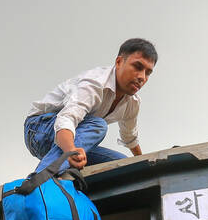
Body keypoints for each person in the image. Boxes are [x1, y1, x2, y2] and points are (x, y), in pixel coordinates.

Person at [24, 38, 157, 175]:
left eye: (148, 73)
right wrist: (71, 151)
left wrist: (145, 164)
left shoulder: (132, 103)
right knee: (98, 125)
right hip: (39, 129)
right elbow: (66, 119)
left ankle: (71, 190)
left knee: (123, 165)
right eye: (137, 67)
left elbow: (129, 136)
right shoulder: (95, 83)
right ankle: (38, 182)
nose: (142, 77)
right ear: (119, 62)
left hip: (70, 139)